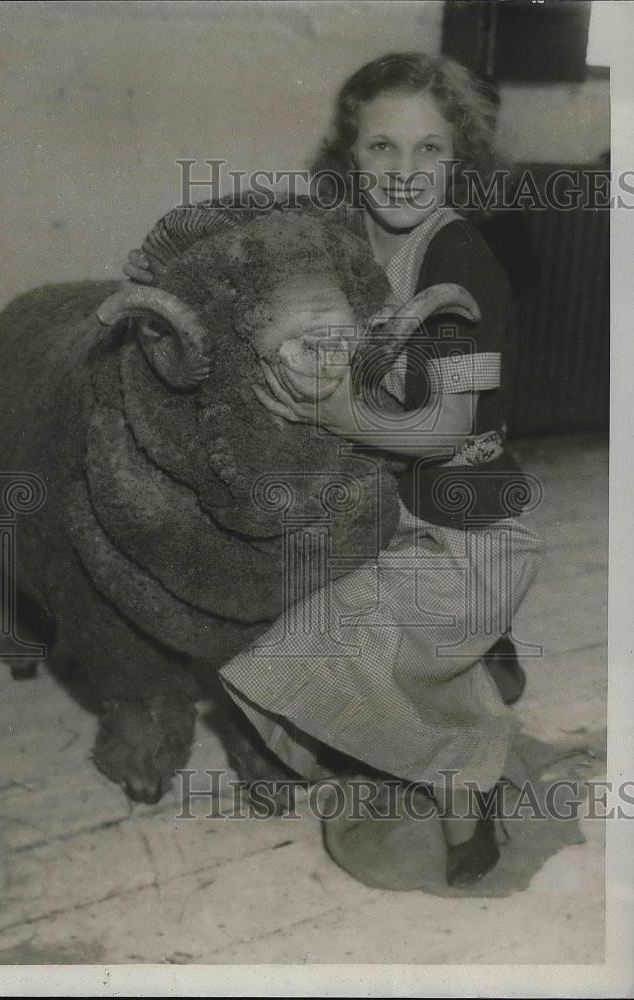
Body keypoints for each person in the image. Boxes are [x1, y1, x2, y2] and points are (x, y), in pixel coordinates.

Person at [124, 52, 544, 887]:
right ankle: (420, 746)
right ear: (348, 154)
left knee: (289, 649)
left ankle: (469, 783)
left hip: (461, 525)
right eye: (381, 148)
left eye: (428, 150)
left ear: (458, 157)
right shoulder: (342, 244)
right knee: (274, 626)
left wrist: (333, 415)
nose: (403, 171)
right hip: (377, 509)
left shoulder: (458, 262)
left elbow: (447, 427)